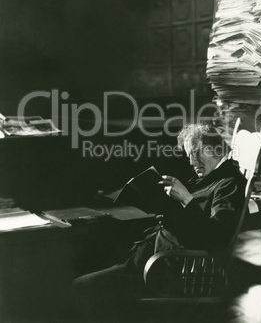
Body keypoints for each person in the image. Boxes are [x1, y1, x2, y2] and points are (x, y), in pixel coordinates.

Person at [72, 123, 246, 322]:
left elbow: (216, 237)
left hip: (169, 270)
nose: (192, 161)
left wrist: (186, 199)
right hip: (157, 259)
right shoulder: (211, 177)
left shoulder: (229, 183)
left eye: (196, 153)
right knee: (89, 269)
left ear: (215, 149)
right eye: (189, 155)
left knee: (82, 287)